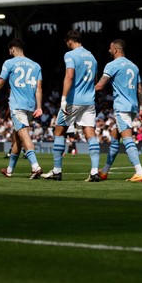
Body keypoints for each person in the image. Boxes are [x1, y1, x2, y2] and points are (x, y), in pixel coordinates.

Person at [42, 30, 100, 182]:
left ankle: (56, 171)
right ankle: (94, 172)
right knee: (90, 133)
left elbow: (69, 75)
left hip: (74, 100)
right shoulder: (92, 57)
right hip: (89, 101)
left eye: (66, 41)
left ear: (69, 40)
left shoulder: (70, 55)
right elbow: (95, 80)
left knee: (59, 131)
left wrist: (63, 99)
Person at [0, 38, 44, 179]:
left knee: (23, 134)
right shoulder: (36, 65)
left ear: (12, 48)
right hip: (31, 106)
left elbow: (0, 84)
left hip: (17, 105)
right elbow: (39, 88)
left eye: (9, 50)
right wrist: (39, 106)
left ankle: (35, 166)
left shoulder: (9, 63)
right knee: (17, 138)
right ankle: (9, 169)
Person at [95, 39, 142, 182]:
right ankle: (105, 171)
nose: (109, 51)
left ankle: (139, 172)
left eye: (110, 48)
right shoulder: (134, 66)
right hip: (132, 106)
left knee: (127, 139)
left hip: (122, 106)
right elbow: (139, 89)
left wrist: (85, 92)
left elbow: (100, 86)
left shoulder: (112, 65)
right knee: (115, 136)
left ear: (116, 50)